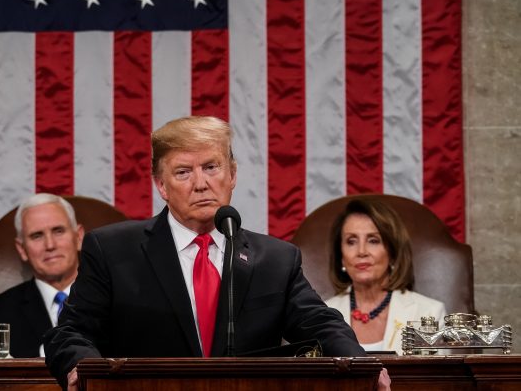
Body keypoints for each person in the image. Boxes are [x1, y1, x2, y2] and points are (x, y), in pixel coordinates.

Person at [45, 116, 389, 390]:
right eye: (183, 172)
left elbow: (320, 325)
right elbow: (71, 332)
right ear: (161, 186)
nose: (200, 183)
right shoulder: (113, 251)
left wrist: (360, 366)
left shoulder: (276, 259)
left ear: (232, 174)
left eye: (211, 167)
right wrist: (81, 372)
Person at [325, 198, 447, 354]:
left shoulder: (429, 313)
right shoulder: (323, 315)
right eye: (351, 241)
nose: (361, 251)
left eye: (373, 240)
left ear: (393, 252)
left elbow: (438, 378)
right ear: (341, 256)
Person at [0, 193, 84, 357]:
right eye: (37, 236)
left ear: (78, 237)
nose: (50, 245)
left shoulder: (115, 303)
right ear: (22, 249)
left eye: (58, 231)